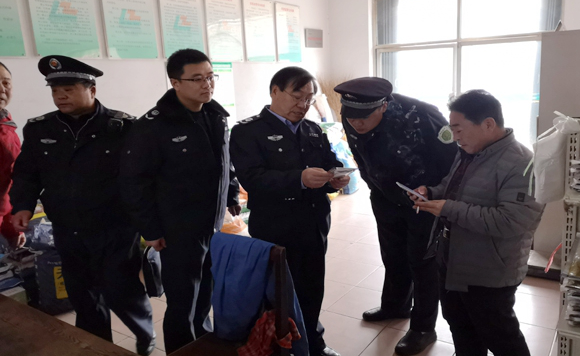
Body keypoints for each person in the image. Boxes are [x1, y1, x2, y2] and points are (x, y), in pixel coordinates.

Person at [9, 56, 155, 355]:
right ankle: (98, 346)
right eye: (55, 90)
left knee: (121, 289)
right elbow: (26, 173)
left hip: (114, 228)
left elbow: (143, 176)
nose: (60, 96)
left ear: (92, 90)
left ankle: (145, 333)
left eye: (69, 89)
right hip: (67, 229)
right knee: (83, 295)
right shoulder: (40, 129)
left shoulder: (122, 127)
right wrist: (22, 205)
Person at [120, 48, 240, 354]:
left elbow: (224, 162)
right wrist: (150, 229)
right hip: (177, 230)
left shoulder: (215, 115)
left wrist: (231, 193)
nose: (207, 85)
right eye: (197, 79)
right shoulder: (153, 125)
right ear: (175, 82)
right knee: (182, 302)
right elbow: (135, 182)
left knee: (206, 292)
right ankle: (181, 350)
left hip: (211, 225)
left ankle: (203, 343)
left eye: (211, 77)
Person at [410, 90, 545, 356]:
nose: (455, 136)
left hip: (490, 272)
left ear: (488, 124)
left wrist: (448, 208)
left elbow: (510, 221)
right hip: (452, 262)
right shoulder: (468, 151)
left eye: (459, 129)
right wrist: (431, 192)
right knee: (461, 330)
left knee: (501, 338)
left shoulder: (523, 164)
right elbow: (452, 186)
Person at [230, 66, 348, 356]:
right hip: (275, 225)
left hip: (314, 221)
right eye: (297, 97)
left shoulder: (312, 129)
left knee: (312, 285)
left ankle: (312, 342)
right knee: (278, 291)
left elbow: (330, 160)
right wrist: (299, 178)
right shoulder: (248, 131)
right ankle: (279, 345)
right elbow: (252, 178)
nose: (303, 105)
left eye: (309, 99)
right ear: (275, 91)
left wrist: (336, 175)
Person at [334, 77, 457, 355]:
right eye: (351, 117)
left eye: (364, 117)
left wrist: (434, 192)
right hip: (384, 197)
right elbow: (360, 153)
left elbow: (452, 160)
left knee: (422, 262)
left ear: (384, 106)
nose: (356, 123)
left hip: (423, 201)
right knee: (392, 254)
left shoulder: (422, 115)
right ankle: (395, 306)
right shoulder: (351, 115)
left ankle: (423, 327)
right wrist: (373, 186)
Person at [0, 61, 25, 251]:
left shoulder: (6, 124)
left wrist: (11, 225)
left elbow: (9, 179)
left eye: (6, 83)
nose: (2, 89)